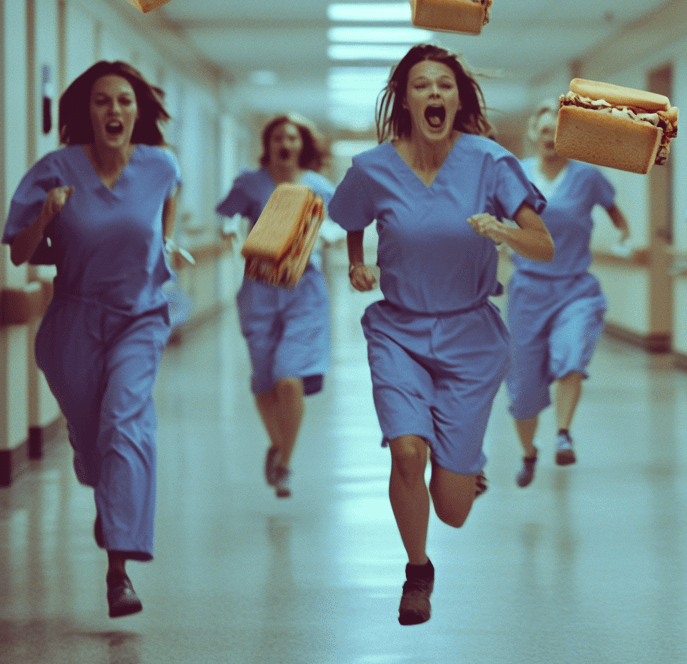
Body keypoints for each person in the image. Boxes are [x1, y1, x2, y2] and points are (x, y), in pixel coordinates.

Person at [328, 44, 553, 626]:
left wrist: (503, 229)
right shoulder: (371, 168)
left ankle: (465, 467)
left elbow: (542, 243)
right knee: (407, 451)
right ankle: (417, 571)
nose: (435, 94)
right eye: (423, 85)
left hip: (472, 337)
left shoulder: (490, 163)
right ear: (405, 98)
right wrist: (358, 262)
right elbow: (352, 217)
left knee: (453, 508)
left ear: (459, 99)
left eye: (446, 86)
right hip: (398, 329)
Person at [2, 61, 183, 618]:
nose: (115, 111)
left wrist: (166, 249)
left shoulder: (160, 166)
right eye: (103, 101)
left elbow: (163, 212)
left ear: (138, 111)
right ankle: (110, 494)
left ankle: (119, 570)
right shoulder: (54, 171)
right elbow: (21, 252)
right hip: (74, 322)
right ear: (85, 111)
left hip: (139, 317)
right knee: (91, 434)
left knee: (125, 421)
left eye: (125, 101)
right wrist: (48, 214)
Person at [505, 101, 630, 487]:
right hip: (527, 291)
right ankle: (529, 452)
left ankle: (563, 432)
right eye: (543, 130)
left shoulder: (587, 176)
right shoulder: (514, 175)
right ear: (532, 135)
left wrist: (624, 236)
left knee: (572, 353)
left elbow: (615, 211)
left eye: (557, 131)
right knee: (524, 389)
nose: (550, 137)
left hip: (575, 287)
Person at [216, 114, 335, 498]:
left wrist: (328, 236)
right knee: (265, 379)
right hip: (259, 289)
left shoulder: (317, 186)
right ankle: (277, 443)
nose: (286, 143)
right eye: (279, 137)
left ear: (303, 145)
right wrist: (230, 229)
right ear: (268, 144)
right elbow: (227, 214)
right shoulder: (250, 183)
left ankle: (285, 462)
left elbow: (342, 222)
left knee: (289, 377)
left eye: (294, 137)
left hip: (305, 289)